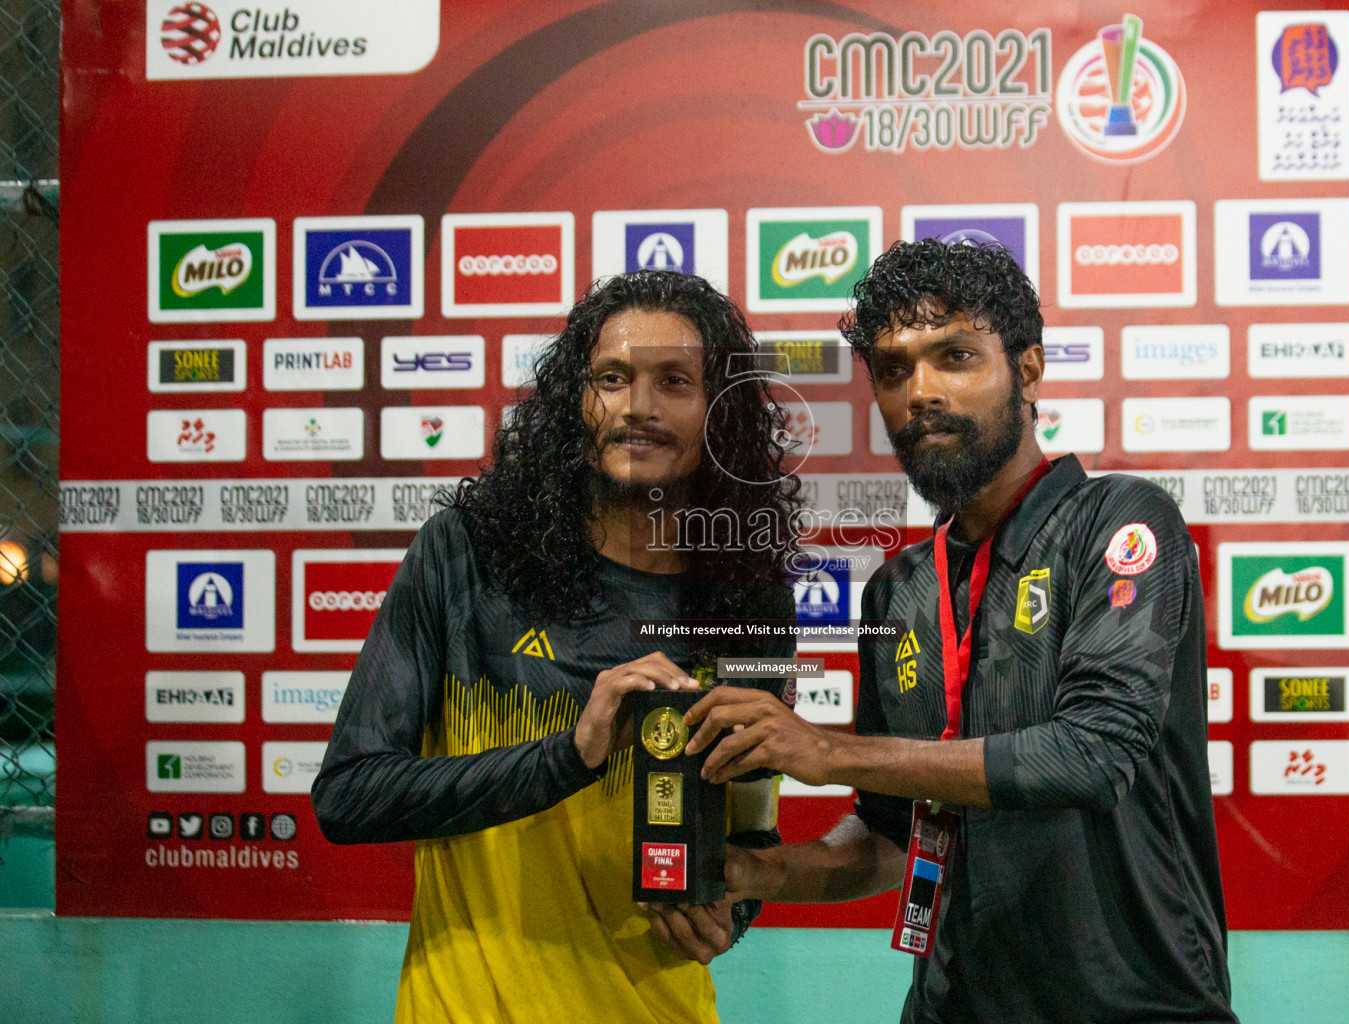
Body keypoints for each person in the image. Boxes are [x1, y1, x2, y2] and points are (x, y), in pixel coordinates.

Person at [683, 240, 1238, 1023]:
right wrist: (754, 874)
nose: (921, 391)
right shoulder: (898, 591)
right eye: (894, 368)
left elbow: (1094, 752)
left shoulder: (1120, 521)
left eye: (955, 356)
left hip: (1135, 1006)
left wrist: (827, 749)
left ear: (1030, 369)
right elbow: (886, 836)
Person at [312, 271, 802, 1024]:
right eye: (612, 378)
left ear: (719, 413)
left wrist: (728, 907)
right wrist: (569, 757)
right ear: (577, 399)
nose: (637, 407)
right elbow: (350, 796)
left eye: (673, 381)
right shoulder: (466, 556)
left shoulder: (752, 594)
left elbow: (751, 820)